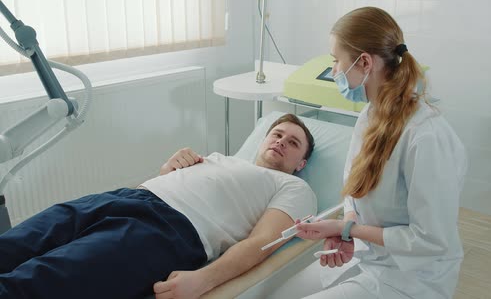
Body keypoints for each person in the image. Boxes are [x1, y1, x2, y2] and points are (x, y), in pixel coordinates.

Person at [0, 114, 317, 299]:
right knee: (15, 244)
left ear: (301, 162)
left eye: (292, 142)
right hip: (125, 197)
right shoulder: (224, 159)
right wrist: (168, 168)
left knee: (38, 281)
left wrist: (202, 282)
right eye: (277, 134)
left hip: (167, 233)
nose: (280, 141)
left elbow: (261, 243)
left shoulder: (294, 187)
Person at [273, 7, 468, 299]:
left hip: (412, 278)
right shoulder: (369, 116)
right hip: (368, 256)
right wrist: (346, 231)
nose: (335, 71)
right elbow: (355, 188)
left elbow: (430, 240)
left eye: (337, 61)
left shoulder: (425, 137)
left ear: (364, 62)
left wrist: (347, 227)